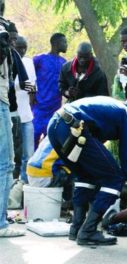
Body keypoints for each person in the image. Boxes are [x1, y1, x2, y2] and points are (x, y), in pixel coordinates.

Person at [47, 92, 127, 246]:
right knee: (115, 178)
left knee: (86, 175)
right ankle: (89, 231)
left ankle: (76, 228)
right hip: (73, 127)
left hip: (56, 123)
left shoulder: (112, 106)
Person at [0, 23, 24, 237]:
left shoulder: (14, 54)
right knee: (6, 165)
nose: (14, 43)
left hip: (11, 108)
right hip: (2, 105)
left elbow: (26, 82)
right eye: (12, 39)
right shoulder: (3, 38)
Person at [33, 33, 67, 149]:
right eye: (64, 42)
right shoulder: (39, 59)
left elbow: (65, 85)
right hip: (38, 109)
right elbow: (28, 77)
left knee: (50, 143)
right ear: (56, 43)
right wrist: (31, 96)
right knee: (33, 141)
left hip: (54, 110)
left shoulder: (64, 63)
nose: (66, 45)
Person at [14, 35, 36, 184]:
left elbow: (32, 87)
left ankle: (25, 185)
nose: (22, 50)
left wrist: (32, 99)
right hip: (11, 116)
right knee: (11, 156)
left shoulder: (28, 62)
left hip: (27, 116)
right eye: (19, 47)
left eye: (24, 47)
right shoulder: (7, 61)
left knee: (28, 155)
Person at [27, 136, 74, 202]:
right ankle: (65, 205)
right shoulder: (67, 138)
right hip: (43, 176)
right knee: (70, 173)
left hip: (30, 171)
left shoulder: (50, 133)